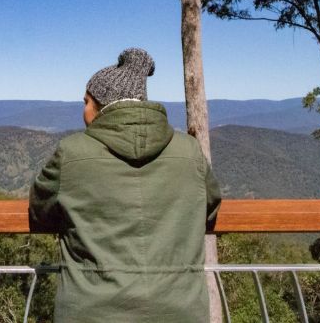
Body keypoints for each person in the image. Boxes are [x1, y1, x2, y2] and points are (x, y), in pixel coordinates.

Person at [29, 47, 222, 323]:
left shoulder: (71, 153)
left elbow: (40, 211)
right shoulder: (189, 151)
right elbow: (210, 207)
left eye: (86, 102)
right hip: (179, 309)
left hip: (90, 311)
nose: (83, 111)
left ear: (101, 106)